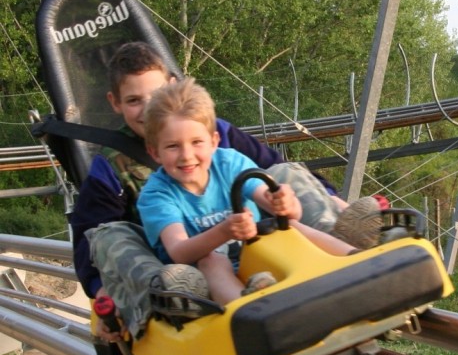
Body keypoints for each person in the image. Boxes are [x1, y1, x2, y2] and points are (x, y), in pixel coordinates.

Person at [70, 42, 383, 339]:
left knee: (283, 176)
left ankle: (348, 241)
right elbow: (90, 232)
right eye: (134, 100)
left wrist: (319, 199)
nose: (149, 107)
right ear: (116, 103)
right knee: (109, 235)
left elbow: (269, 172)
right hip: (182, 258)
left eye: (157, 94)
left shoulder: (215, 133)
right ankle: (175, 295)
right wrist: (100, 288)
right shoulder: (115, 167)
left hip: (251, 239)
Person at [138, 78, 356, 304]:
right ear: (155, 152)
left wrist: (283, 202)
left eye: (196, 142)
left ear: (214, 141)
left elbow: (283, 211)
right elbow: (179, 252)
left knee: (287, 226)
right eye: (173, 146)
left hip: (258, 256)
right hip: (208, 280)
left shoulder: (229, 163)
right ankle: (253, 309)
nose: (186, 155)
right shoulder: (157, 194)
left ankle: (357, 260)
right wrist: (225, 231)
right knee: (211, 260)